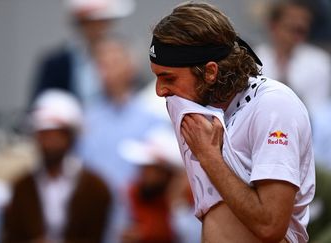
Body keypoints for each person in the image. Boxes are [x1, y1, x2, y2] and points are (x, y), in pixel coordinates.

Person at [149, 2, 315, 243]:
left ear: (210, 72)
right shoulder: (201, 111)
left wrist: (210, 157)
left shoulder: (274, 106)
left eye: (168, 78)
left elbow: (270, 226)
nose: (160, 91)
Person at [77, 36, 167, 242]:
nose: (107, 70)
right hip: (94, 225)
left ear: (130, 67)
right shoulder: (86, 121)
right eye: (101, 64)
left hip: (139, 226)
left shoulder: (152, 118)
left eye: (114, 62)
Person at [2, 89, 112, 243]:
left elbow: (98, 236)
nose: (49, 142)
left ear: (71, 137)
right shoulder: (21, 188)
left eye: (56, 134)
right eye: (43, 134)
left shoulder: (96, 188)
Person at [29, 0, 134, 107]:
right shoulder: (55, 64)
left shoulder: (124, 60)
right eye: (94, 22)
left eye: (105, 21)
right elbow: (42, 107)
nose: (100, 28)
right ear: (81, 22)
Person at [119, 126, 200, 243]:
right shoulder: (136, 192)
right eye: (143, 167)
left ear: (168, 173)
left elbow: (189, 237)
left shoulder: (193, 202)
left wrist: (176, 204)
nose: (143, 173)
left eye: (150, 168)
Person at [255, 0, 331, 111]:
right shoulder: (253, 58)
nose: (295, 36)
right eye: (290, 28)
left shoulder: (320, 63)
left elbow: (318, 110)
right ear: (273, 26)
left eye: (300, 30)